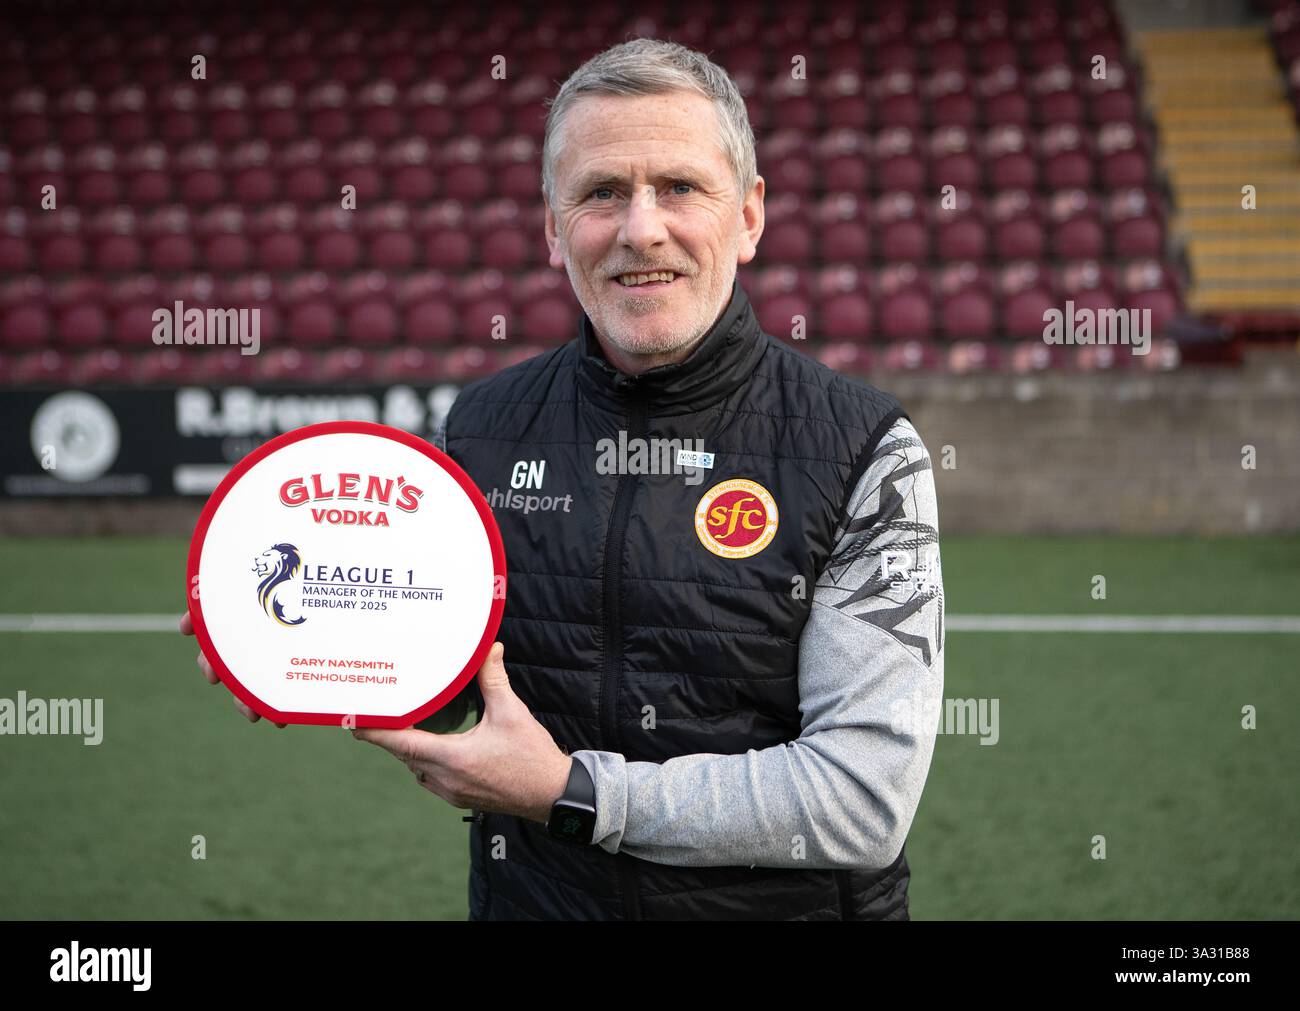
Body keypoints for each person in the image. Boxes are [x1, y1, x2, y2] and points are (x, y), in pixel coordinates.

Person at [182, 37, 944, 921]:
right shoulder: (478, 431)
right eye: (602, 193)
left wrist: (574, 793)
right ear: (552, 227)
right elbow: (447, 659)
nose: (640, 228)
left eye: (680, 187)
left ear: (748, 216)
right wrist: (286, 647)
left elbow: (863, 801)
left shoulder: (865, 449)